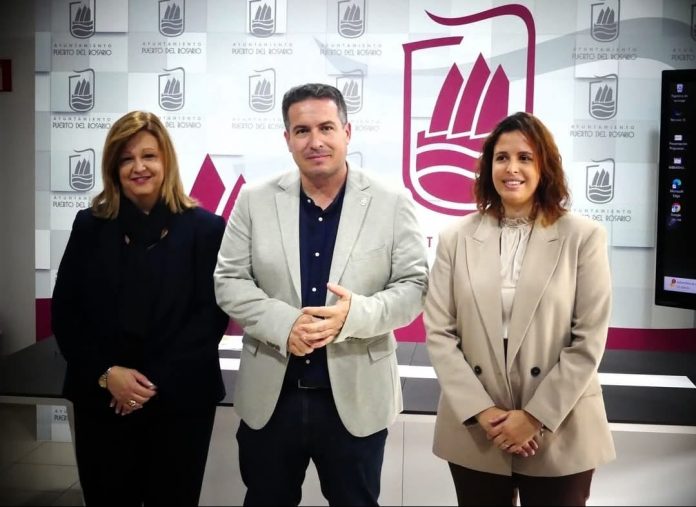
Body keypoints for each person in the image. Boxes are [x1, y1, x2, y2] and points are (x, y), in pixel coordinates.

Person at [214, 83, 428, 506]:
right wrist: (285, 325)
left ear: (347, 132)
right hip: (272, 397)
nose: (315, 141)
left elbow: (414, 287)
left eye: (326, 127)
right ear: (287, 138)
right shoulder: (254, 200)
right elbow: (229, 280)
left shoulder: (391, 201)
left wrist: (353, 317)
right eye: (302, 130)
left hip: (355, 399)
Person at [424, 111, 616, 506]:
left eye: (525, 157)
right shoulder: (455, 238)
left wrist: (534, 418)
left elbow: (588, 340)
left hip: (560, 428)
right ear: (488, 167)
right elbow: (440, 334)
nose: (512, 168)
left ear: (545, 167)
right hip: (478, 431)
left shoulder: (583, 237)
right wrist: (483, 413)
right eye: (502, 158)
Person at [51, 110, 229, 506]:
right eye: (126, 158)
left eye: (149, 156)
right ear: (113, 168)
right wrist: (107, 374)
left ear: (166, 161)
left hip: (180, 400)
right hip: (103, 399)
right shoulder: (89, 226)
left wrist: (148, 383)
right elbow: (66, 313)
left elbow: (210, 318)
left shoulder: (206, 229)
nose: (138, 167)